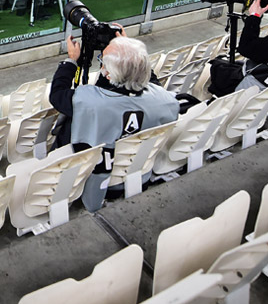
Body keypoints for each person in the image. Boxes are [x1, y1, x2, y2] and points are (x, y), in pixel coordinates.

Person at [49, 33, 179, 211]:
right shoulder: (164, 99)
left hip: (86, 181)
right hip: (135, 173)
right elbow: (152, 82)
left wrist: (71, 60)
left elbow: (57, 94)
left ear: (108, 75)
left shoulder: (90, 103)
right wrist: (131, 55)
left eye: (102, 61)